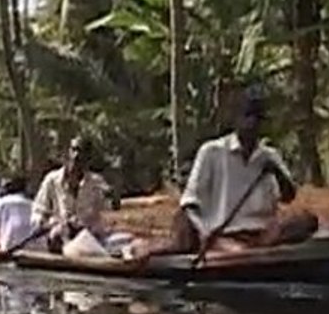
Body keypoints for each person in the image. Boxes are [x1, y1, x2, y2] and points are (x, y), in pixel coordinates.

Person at [124, 85, 318, 262]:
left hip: (262, 235)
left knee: (306, 220)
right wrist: (205, 233)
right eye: (247, 116)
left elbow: (289, 196)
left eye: (258, 119)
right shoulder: (212, 152)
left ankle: (258, 252)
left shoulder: (269, 156)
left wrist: (276, 172)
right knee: (239, 254)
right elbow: (189, 205)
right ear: (236, 120)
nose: (252, 123)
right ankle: (143, 248)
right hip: (222, 234)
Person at [32, 136, 111, 253]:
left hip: (88, 243)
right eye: (74, 150)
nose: (76, 156)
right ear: (67, 153)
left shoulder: (97, 183)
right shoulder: (51, 180)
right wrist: (49, 224)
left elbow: (108, 213)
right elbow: (37, 212)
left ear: (88, 159)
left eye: (82, 152)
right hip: (58, 240)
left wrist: (85, 226)